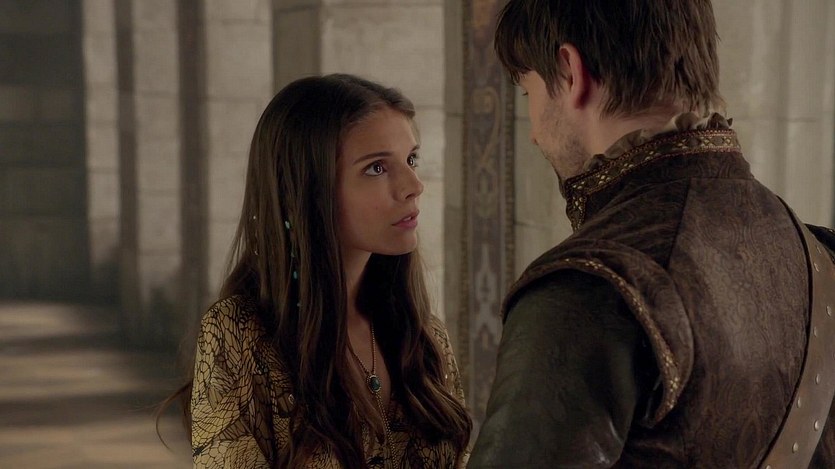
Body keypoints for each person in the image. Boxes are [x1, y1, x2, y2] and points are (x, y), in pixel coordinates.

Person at [468, 1, 835, 468]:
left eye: (529, 93)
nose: (535, 133)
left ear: (570, 71)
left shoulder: (587, 287)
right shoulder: (817, 254)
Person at [176, 74, 471, 468]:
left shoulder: (424, 336)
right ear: (307, 190)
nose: (413, 185)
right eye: (377, 168)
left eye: (411, 159)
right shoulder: (239, 336)